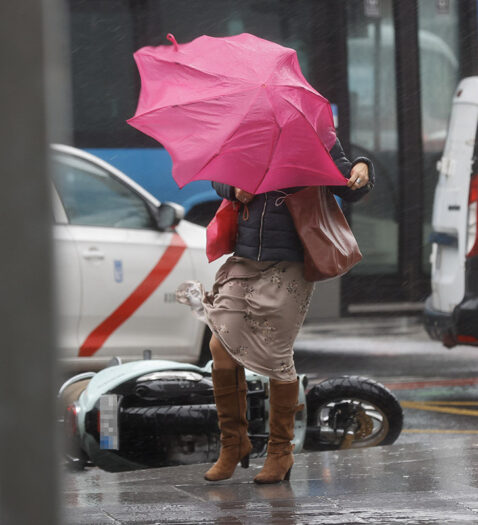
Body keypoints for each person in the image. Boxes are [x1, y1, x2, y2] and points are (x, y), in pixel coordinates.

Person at [178, 137, 374, 484]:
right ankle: (234, 443)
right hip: (245, 258)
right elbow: (219, 177)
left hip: (292, 263)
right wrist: (233, 188)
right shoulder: (247, 135)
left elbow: (349, 186)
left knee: (276, 354)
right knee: (220, 347)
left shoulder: (313, 137)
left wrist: (362, 167)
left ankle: (280, 452)